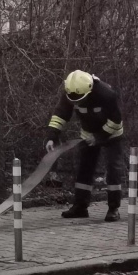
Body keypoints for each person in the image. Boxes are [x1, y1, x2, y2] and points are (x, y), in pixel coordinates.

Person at [45, 70, 126, 221]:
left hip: (111, 134)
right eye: (73, 100)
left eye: (80, 100)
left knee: (113, 169)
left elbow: (116, 120)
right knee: (84, 169)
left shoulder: (106, 94)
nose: (76, 103)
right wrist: (52, 137)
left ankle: (113, 208)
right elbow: (60, 114)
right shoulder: (70, 94)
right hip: (88, 134)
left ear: (89, 90)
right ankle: (80, 207)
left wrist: (99, 137)